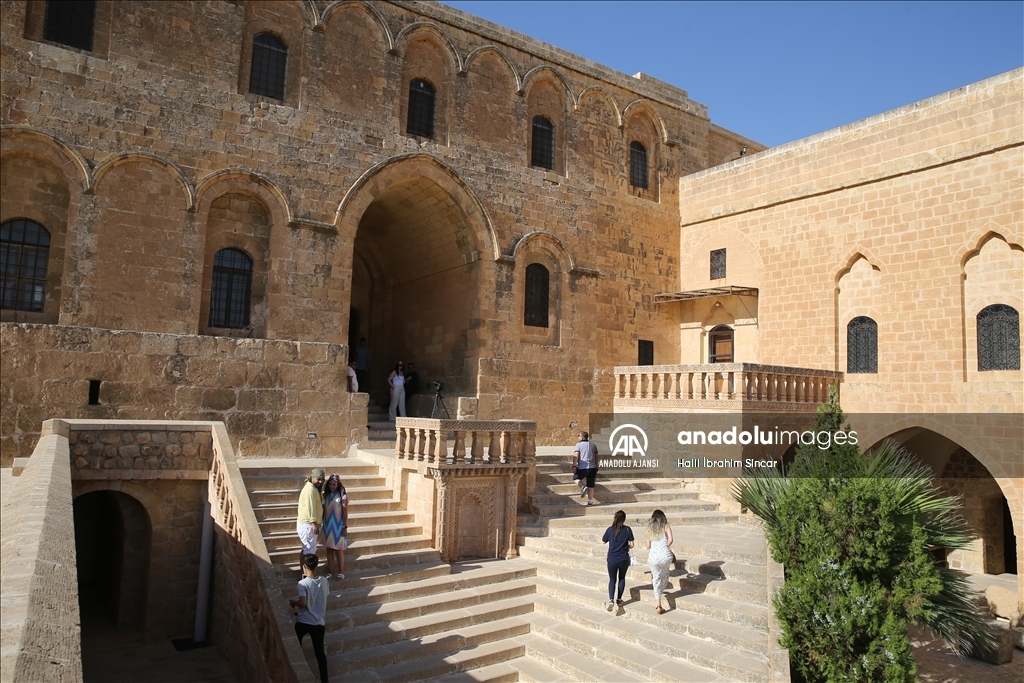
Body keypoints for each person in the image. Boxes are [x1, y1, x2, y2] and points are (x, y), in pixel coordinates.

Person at [289, 553, 329, 683]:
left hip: (304, 621)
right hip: (319, 622)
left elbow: (303, 603)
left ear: (304, 566)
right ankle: (325, 680)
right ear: (316, 565)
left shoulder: (302, 583)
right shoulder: (324, 581)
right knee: (320, 653)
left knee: (296, 648)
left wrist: (294, 603)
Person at [601, 509, 634, 611]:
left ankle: (611, 599)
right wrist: (626, 546)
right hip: (623, 558)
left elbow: (603, 541)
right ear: (624, 519)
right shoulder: (628, 529)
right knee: (622, 578)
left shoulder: (610, 530)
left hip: (612, 559)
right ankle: (619, 599)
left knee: (612, 579)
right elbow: (632, 544)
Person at [645, 509, 675, 614]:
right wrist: (665, 547)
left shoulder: (649, 529)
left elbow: (648, 546)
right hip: (665, 556)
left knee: (656, 579)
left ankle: (658, 604)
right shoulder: (666, 527)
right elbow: (670, 540)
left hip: (653, 558)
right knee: (665, 575)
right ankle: (660, 593)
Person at [322, 474, 348, 580]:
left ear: (338, 485)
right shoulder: (326, 495)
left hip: (338, 526)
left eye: (334, 484)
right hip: (328, 525)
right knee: (329, 549)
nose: (332, 486)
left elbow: (345, 512)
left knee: (338, 549)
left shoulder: (342, 496)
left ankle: (341, 572)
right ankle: (331, 571)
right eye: (331, 484)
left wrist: (344, 526)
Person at [297, 468, 325, 564]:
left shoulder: (312, 488)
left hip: (308, 525)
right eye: (318, 479)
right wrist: (314, 523)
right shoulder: (310, 490)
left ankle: (304, 575)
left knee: (306, 550)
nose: (320, 482)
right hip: (308, 525)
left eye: (322, 479)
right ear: (312, 478)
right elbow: (310, 508)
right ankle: (307, 576)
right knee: (309, 553)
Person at [572, 431, 599, 505]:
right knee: (591, 485)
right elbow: (596, 456)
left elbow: (576, 455)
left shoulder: (578, 445)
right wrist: (597, 465)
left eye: (578, 435)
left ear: (582, 437)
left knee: (576, 478)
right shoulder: (593, 445)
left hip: (582, 467)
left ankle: (583, 487)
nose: (578, 437)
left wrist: (574, 465)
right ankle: (590, 501)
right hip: (592, 468)